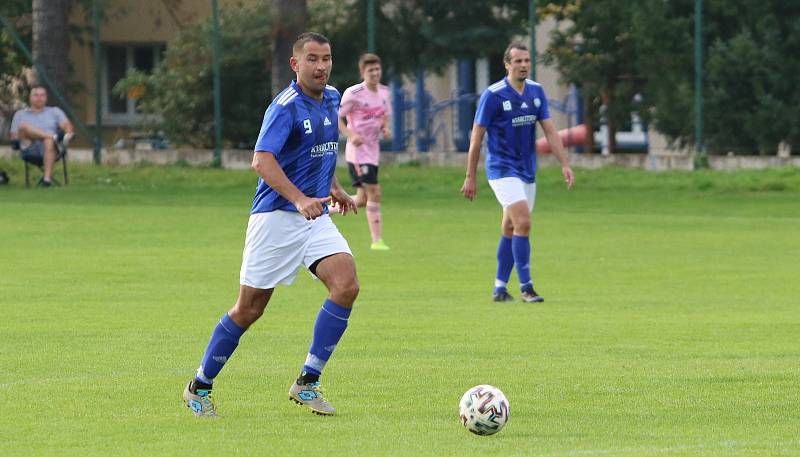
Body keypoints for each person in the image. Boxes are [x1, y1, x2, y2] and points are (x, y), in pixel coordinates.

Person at [183, 32, 359, 417]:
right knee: (249, 309)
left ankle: (307, 382)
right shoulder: (285, 107)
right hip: (276, 217)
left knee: (346, 285)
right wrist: (298, 199)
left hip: (315, 216)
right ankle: (199, 386)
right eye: (312, 59)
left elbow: (320, 154)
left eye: (326, 58)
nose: (321, 66)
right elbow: (262, 161)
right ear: (296, 64)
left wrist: (337, 189)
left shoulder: (332, 98)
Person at [460, 41, 575, 303]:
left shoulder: (536, 91)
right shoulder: (494, 94)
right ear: (507, 64)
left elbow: (550, 131)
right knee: (523, 222)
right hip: (501, 169)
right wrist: (470, 176)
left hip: (526, 169)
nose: (523, 65)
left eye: (527, 61)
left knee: (511, 226)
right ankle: (527, 287)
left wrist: (565, 164)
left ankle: (500, 287)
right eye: (518, 61)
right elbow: (477, 138)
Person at [337, 53, 392, 251]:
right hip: (358, 154)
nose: (375, 73)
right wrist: (350, 135)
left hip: (373, 151)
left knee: (361, 199)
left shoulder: (385, 92)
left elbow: (384, 115)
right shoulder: (354, 93)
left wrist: (385, 128)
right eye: (371, 70)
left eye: (377, 69)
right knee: (375, 191)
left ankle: (325, 210)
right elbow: (337, 117)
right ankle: (377, 241)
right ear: (362, 72)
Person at [9, 85, 74, 187]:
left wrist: (68, 135)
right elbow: (14, 137)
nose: (39, 98)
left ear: (46, 98)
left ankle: (46, 180)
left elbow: (67, 125)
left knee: (48, 141)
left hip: (50, 148)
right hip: (29, 146)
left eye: (42, 95)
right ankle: (51, 136)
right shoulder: (20, 114)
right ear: (30, 97)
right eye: (36, 95)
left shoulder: (54, 111)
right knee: (23, 126)